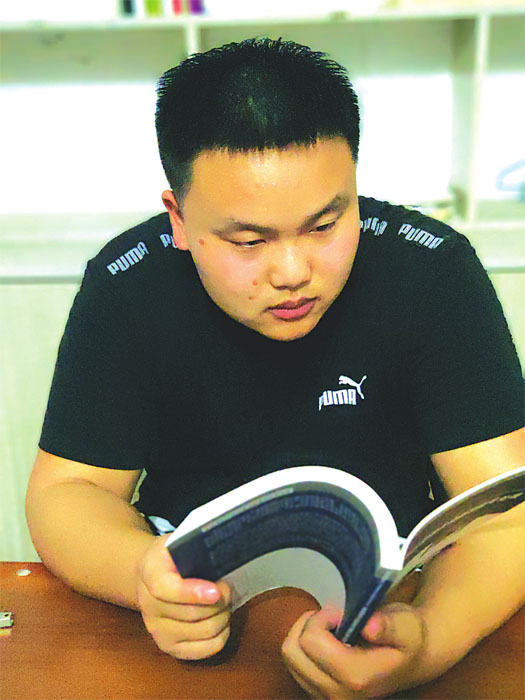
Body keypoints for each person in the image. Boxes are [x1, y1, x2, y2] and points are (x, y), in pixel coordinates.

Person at [26, 37, 524, 698]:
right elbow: (67, 491)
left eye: (324, 225)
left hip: (392, 606)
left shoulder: (430, 272)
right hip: (188, 632)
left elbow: (506, 517)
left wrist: (429, 642)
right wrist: (144, 573)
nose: (292, 273)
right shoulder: (129, 286)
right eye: (248, 240)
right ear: (179, 218)